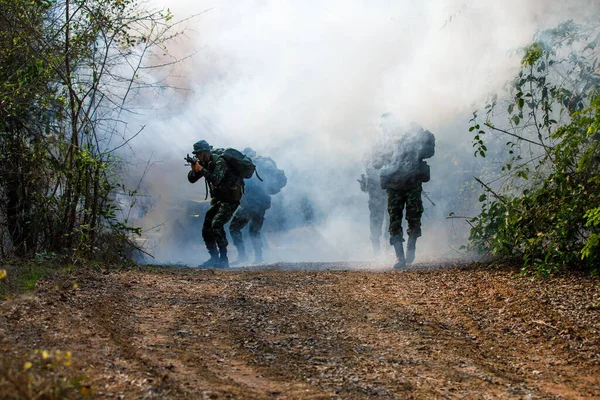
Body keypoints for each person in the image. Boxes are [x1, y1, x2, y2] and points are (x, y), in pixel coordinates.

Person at [374, 122, 435, 269]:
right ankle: (399, 257)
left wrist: (418, 137)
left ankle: (411, 246)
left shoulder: (415, 137)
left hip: (412, 183)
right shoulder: (385, 141)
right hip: (394, 186)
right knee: (394, 221)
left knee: (414, 216)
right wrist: (388, 148)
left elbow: (429, 151)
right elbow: (376, 162)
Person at [187, 140, 244, 268]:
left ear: (207, 151)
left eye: (200, 154)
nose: (198, 157)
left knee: (216, 224)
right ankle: (213, 258)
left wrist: (201, 169)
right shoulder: (204, 162)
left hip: (230, 199)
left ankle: (224, 259)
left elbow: (216, 180)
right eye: (196, 154)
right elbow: (191, 179)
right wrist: (195, 170)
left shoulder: (220, 162)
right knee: (206, 228)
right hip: (219, 199)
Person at [229, 148, 287, 265]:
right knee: (254, 232)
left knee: (234, 228)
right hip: (262, 203)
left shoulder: (248, 165)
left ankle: (242, 256)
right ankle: (258, 258)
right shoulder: (266, 164)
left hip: (250, 203)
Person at [358, 146, 388, 256]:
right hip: (376, 199)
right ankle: (377, 255)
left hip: (389, 197)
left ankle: (389, 253)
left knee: (390, 227)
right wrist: (364, 184)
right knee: (375, 228)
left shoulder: (389, 157)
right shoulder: (369, 161)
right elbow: (366, 187)